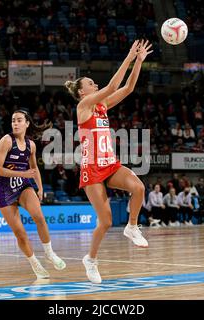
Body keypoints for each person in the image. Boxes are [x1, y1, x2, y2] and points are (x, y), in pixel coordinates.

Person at [64, 39, 152, 284]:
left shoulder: (101, 106)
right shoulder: (84, 106)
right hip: (91, 169)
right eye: (91, 83)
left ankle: (132, 227)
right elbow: (114, 84)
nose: (96, 84)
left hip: (109, 164)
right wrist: (129, 55)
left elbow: (128, 87)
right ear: (82, 91)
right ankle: (90, 260)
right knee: (105, 221)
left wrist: (139, 62)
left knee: (139, 187)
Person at [0, 110, 66, 280]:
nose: (15, 123)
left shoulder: (31, 145)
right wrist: (23, 174)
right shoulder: (6, 141)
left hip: (22, 185)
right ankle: (34, 263)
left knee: (39, 217)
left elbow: (34, 169)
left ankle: (49, 253)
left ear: (27, 123)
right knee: (20, 233)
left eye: (19, 120)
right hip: (4, 188)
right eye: (13, 120)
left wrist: (40, 188)